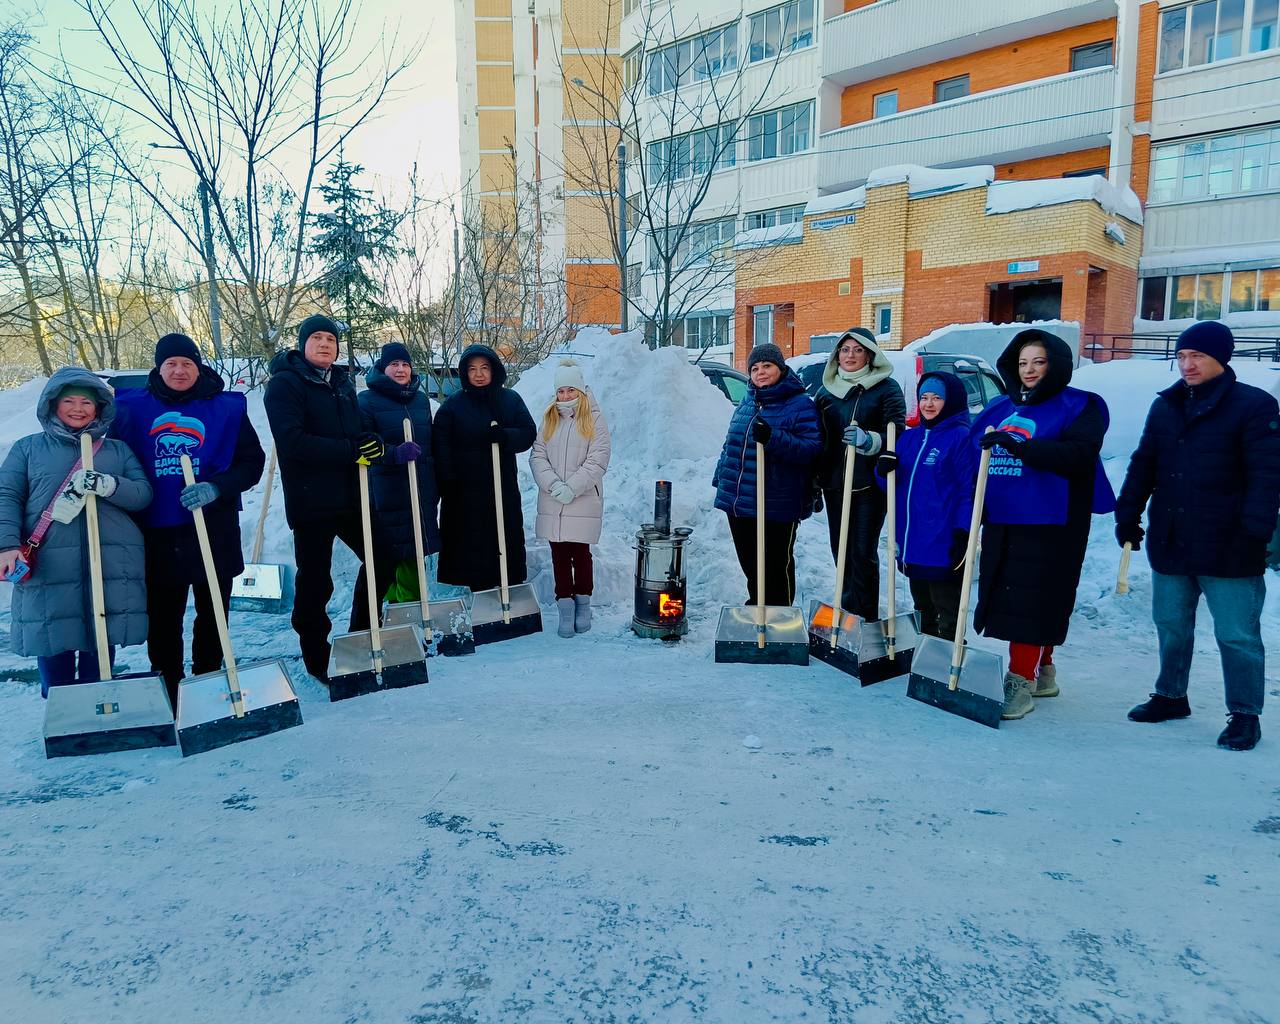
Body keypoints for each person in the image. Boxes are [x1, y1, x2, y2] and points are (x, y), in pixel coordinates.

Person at [1115, 321, 1280, 752]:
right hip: (1173, 535)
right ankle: (1171, 695)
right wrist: (1127, 511)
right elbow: (1144, 461)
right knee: (1171, 623)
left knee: (1236, 633)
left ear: (1220, 359)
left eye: (1197, 357)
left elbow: (1267, 477)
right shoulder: (1167, 405)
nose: (1186, 365)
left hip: (1230, 541)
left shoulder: (1254, 407)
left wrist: (1255, 534)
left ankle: (1245, 714)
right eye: (1182, 356)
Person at [112, 334, 265, 704]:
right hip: (157, 529)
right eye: (171, 364)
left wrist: (218, 487)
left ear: (198, 367)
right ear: (158, 367)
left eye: (187, 364)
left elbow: (252, 463)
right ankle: (170, 686)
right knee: (165, 615)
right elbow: (112, 457)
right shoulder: (130, 409)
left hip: (214, 527)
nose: (179, 371)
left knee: (213, 608)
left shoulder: (227, 409)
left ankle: (209, 677)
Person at [971, 328, 1115, 721]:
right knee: (1013, 598)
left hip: (1053, 520)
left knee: (1034, 598)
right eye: (1022, 363)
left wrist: (1023, 447)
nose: (1029, 370)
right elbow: (970, 450)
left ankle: (1021, 678)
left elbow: (1079, 453)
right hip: (1004, 515)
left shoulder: (1081, 405)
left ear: (1056, 364)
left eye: (1039, 361)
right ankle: (1043, 669)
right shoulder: (1001, 408)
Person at [264, 314, 404, 681]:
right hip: (311, 500)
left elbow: (355, 433)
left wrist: (371, 444)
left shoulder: (341, 383)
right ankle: (315, 651)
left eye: (331, 338)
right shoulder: (285, 384)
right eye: (317, 338)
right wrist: (349, 451)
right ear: (302, 344)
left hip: (351, 496)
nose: (325, 344)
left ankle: (361, 634)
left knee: (384, 557)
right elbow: (292, 441)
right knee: (316, 580)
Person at [0, 369, 152, 697]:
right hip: (51, 563)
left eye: (86, 401)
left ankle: (101, 704)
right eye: (69, 400)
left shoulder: (117, 451)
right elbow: (6, 496)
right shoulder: (27, 450)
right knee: (54, 634)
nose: (78, 408)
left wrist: (109, 485)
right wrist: (7, 545)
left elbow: (142, 495)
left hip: (108, 564)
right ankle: (60, 709)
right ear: (52, 405)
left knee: (101, 633)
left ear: (99, 408)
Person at [713, 343, 823, 606]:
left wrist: (774, 438)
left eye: (767, 366)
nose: (760, 372)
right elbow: (731, 443)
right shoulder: (748, 402)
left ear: (780, 368)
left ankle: (778, 616)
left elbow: (811, 449)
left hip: (777, 500)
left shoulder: (800, 405)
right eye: (755, 368)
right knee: (751, 563)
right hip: (740, 499)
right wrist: (722, 476)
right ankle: (758, 606)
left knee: (775, 565)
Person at [874, 372, 977, 640]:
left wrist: (963, 530)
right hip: (911, 539)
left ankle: (949, 655)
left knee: (946, 604)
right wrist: (882, 471)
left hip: (942, 539)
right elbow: (892, 489)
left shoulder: (961, 438)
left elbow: (969, 491)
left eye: (937, 398)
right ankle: (928, 655)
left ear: (951, 401)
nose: (928, 404)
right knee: (922, 605)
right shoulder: (909, 439)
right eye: (924, 398)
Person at [814, 327, 907, 620]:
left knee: (862, 551)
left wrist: (871, 441)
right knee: (839, 550)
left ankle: (865, 618)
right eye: (844, 350)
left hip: (868, 484)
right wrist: (814, 480)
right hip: (835, 484)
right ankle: (845, 614)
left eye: (857, 350)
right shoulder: (825, 391)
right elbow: (817, 438)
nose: (850, 355)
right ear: (836, 355)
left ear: (869, 354)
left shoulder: (886, 387)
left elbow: (897, 430)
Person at [432, 344, 537, 592]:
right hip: (465, 491)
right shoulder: (453, 406)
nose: (479, 374)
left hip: (502, 485)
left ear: (494, 370)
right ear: (465, 373)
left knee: (504, 537)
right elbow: (441, 445)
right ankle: (480, 592)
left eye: (484, 368)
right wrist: (448, 481)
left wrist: (505, 436)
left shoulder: (510, 400)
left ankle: (508, 589)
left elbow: (528, 432)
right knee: (473, 544)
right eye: (472, 369)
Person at [529, 360, 612, 638]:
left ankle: (583, 604)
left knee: (581, 554)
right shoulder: (550, 418)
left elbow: (597, 460)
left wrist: (572, 487)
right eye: (560, 391)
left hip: (582, 499)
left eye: (570, 390)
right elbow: (537, 455)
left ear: (581, 391)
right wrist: (553, 484)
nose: (565, 396)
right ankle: (565, 605)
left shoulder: (595, 419)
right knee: (559, 556)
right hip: (553, 499)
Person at [358, 342, 439, 604]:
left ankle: (408, 606)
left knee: (417, 548)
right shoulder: (366, 401)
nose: (401, 369)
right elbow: (364, 443)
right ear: (383, 368)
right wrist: (393, 453)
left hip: (421, 484)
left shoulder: (420, 399)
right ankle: (400, 607)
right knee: (397, 551)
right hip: (387, 488)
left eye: (405, 364)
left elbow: (430, 442)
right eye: (394, 364)